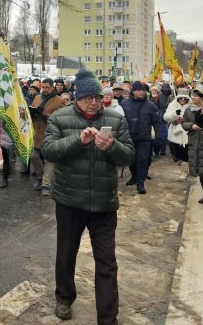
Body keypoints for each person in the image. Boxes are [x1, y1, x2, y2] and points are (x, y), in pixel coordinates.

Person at [42, 68, 135, 324]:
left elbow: (129, 155)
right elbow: (48, 151)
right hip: (70, 201)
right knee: (66, 253)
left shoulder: (116, 120)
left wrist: (112, 147)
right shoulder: (59, 118)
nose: (93, 102)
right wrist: (77, 140)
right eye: (87, 97)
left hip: (104, 203)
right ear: (77, 97)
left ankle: (108, 317)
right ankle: (64, 298)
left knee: (107, 261)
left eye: (97, 97)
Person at [121, 81, 165, 194]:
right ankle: (134, 176)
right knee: (131, 159)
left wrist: (160, 137)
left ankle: (140, 182)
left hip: (144, 137)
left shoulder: (150, 105)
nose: (141, 92)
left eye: (142, 90)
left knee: (142, 159)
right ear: (133, 91)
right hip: (129, 136)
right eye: (138, 90)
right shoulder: (125, 103)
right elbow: (120, 121)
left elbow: (158, 122)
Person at [29, 78, 67, 196]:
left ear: (52, 87)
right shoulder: (37, 98)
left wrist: (47, 115)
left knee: (49, 159)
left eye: (47, 87)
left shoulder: (59, 101)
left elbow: (62, 119)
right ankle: (40, 177)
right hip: (36, 132)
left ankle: (46, 184)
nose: (44, 90)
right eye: (43, 87)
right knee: (33, 156)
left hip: (50, 133)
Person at [182, 86, 203, 207]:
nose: (193, 98)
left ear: (202, 97)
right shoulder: (189, 109)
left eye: (196, 95)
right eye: (193, 95)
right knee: (199, 170)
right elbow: (183, 123)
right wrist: (191, 126)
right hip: (193, 141)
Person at [164, 89, 191, 164]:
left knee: (185, 154)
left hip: (186, 133)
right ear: (178, 98)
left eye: (185, 98)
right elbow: (165, 117)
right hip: (175, 133)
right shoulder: (172, 105)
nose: (183, 100)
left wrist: (184, 120)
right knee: (176, 153)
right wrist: (174, 114)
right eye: (180, 98)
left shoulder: (191, 106)